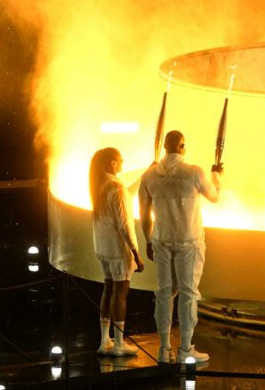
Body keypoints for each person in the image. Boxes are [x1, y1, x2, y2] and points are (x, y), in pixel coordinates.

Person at [139, 130, 222, 364]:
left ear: (165, 147)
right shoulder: (194, 172)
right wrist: (217, 178)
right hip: (190, 242)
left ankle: (163, 349)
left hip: (161, 241)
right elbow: (214, 197)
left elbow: (144, 214)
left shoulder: (149, 176)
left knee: (164, 293)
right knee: (188, 294)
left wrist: (148, 240)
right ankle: (186, 349)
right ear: (183, 146)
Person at [89, 147, 144, 357]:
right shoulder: (116, 188)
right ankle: (120, 343)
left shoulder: (99, 185)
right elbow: (124, 225)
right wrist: (136, 252)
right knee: (121, 293)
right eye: (120, 160)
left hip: (102, 247)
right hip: (118, 248)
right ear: (112, 163)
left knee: (108, 288)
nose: (122, 162)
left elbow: (125, 191)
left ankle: (105, 341)